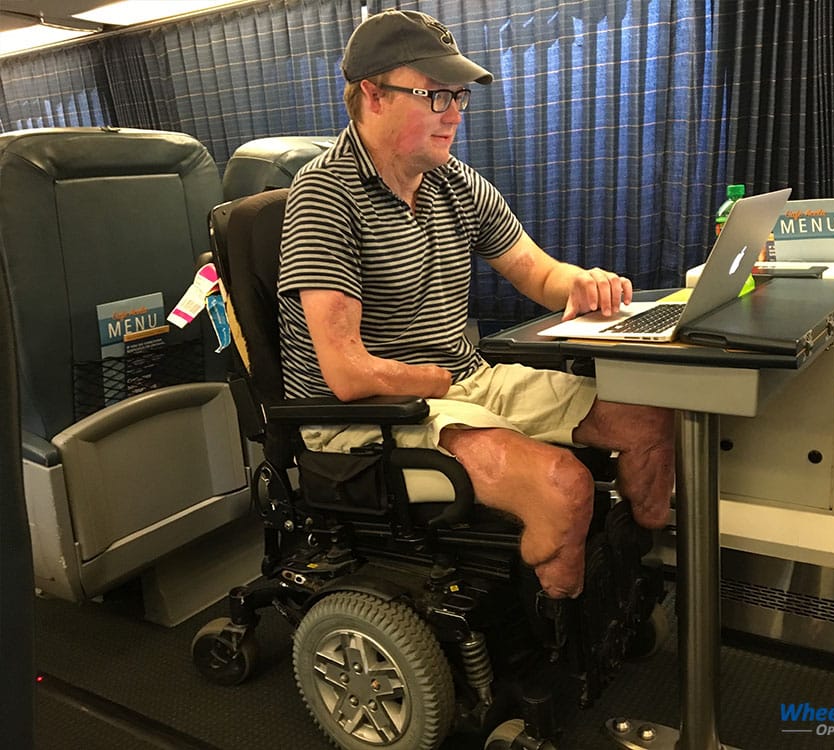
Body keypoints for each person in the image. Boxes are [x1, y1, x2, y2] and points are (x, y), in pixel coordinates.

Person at [277, 9, 675, 598]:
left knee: (652, 422)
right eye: (435, 96)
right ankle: (561, 644)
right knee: (562, 486)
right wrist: (438, 382)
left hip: (460, 383)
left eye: (457, 96)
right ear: (373, 94)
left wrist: (583, 284)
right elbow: (347, 373)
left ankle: (632, 579)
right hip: (364, 422)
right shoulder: (324, 195)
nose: (455, 114)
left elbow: (538, 274)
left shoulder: (454, 183)